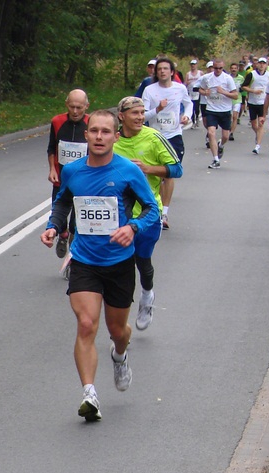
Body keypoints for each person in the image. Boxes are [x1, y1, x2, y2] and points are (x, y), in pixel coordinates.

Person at [40, 109, 161, 422]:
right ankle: (89, 394)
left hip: (119, 262)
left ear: (116, 137)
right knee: (86, 324)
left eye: (106, 132)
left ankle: (119, 355)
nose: (98, 137)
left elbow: (151, 210)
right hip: (84, 260)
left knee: (118, 331)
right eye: (94, 131)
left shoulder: (127, 171)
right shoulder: (73, 171)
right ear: (86, 135)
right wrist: (54, 226)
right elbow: (63, 201)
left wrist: (132, 227)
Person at [113, 96, 182, 332]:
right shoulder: (113, 141)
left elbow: (177, 169)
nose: (141, 117)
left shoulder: (153, 137)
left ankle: (147, 295)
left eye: (143, 113)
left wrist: (147, 169)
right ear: (121, 116)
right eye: (135, 113)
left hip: (147, 214)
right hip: (119, 215)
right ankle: (119, 328)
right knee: (120, 268)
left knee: (142, 262)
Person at [141, 57, 191, 229]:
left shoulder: (180, 88)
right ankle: (155, 208)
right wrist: (158, 109)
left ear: (172, 72)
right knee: (156, 175)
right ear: (156, 72)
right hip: (154, 136)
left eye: (165, 68)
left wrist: (187, 116)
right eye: (159, 69)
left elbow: (189, 104)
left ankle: (164, 213)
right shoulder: (149, 90)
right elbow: (143, 116)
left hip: (174, 135)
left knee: (168, 174)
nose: (162, 71)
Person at [46, 89, 90, 263]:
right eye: (72, 107)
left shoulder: (91, 123)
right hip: (61, 179)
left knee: (77, 221)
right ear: (66, 105)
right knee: (58, 214)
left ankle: (73, 248)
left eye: (79, 107)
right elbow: (52, 148)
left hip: (83, 181)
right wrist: (52, 169)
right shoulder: (57, 122)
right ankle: (63, 234)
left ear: (87, 106)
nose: (75, 111)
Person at [198, 58, 239, 167]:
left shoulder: (228, 79)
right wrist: (205, 92)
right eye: (216, 68)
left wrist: (223, 92)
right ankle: (216, 159)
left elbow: (235, 95)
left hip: (225, 110)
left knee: (225, 136)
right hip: (211, 109)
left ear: (223, 67)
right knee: (211, 133)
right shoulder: (207, 78)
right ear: (213, 67)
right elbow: (200, 89)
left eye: (220, 68)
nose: (218, 70)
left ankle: (221, 145)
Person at [240, 57, 269, 154]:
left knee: (261, 123)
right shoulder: (251, 74)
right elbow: (243, 86)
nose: (261, 65)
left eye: (263, 63)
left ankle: (258, 145)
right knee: (254, 125)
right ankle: (258, 135)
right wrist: (253, 91)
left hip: (263, 103)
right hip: (253, 102)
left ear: (266, 65)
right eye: (260, 63)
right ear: (257, 64)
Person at [185, 59, 204, 129]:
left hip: (198, 93)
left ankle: (197, 118)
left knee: (196, 108)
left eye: (194, 64)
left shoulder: (200, 73)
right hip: (190, 93)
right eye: (192, 64)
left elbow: (204, 81)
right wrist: (187, 83)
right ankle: (193, 122)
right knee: (191, 108)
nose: (193, 66)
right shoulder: (188, 74)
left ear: (196, 65)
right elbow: (185, 83)